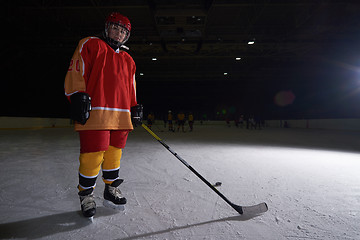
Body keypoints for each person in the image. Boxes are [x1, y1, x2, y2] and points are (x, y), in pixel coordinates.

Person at [64, 12, 142, 218]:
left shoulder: (128, 59)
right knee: (93, 154)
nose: (119, 34)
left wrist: (134, 107)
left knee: (115, 153)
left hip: (121, 115)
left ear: (127, 37)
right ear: (107, 28)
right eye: (115, 28)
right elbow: (76, 70)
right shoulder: (91, 44)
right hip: (96, 112)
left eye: (123, 31)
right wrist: (77, 95)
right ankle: (86, 194)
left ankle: (110, 189)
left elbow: (131, 87)